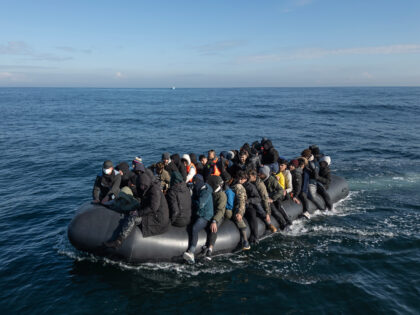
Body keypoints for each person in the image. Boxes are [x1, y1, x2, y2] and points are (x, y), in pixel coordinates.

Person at [104, 171, 170, 248]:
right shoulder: (147, 188)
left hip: (158, 218)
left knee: (133, 217)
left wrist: (138, 213)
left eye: (142, 186)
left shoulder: (154, 191)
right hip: (154, 213)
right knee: (133, 211)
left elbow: (153, 207)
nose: (141, 188)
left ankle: (119, 241)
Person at [183, 174, 213, 264]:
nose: (194, 183)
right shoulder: (200, 188)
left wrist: (191, 198)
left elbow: (200, 204)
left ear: (199, 182)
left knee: (195, 228)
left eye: (195, 182)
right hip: (198, 213)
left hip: (205, 216)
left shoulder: (206, 192)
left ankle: (191, 251)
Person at [204, 175, 227, 260]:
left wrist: (214, 220)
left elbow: (220, 210)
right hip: (209, 212)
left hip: (218, 215)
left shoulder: (222, 195)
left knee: (213, 228)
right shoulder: (210, 192)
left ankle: (210, 248)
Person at [229, 170, 251, 250]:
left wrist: (239, 213)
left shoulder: (238, 187)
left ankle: (245, 241)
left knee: (238, 219)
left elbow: (241, 201)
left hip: (238, 207)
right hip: (234, 204)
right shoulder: (236, 185)